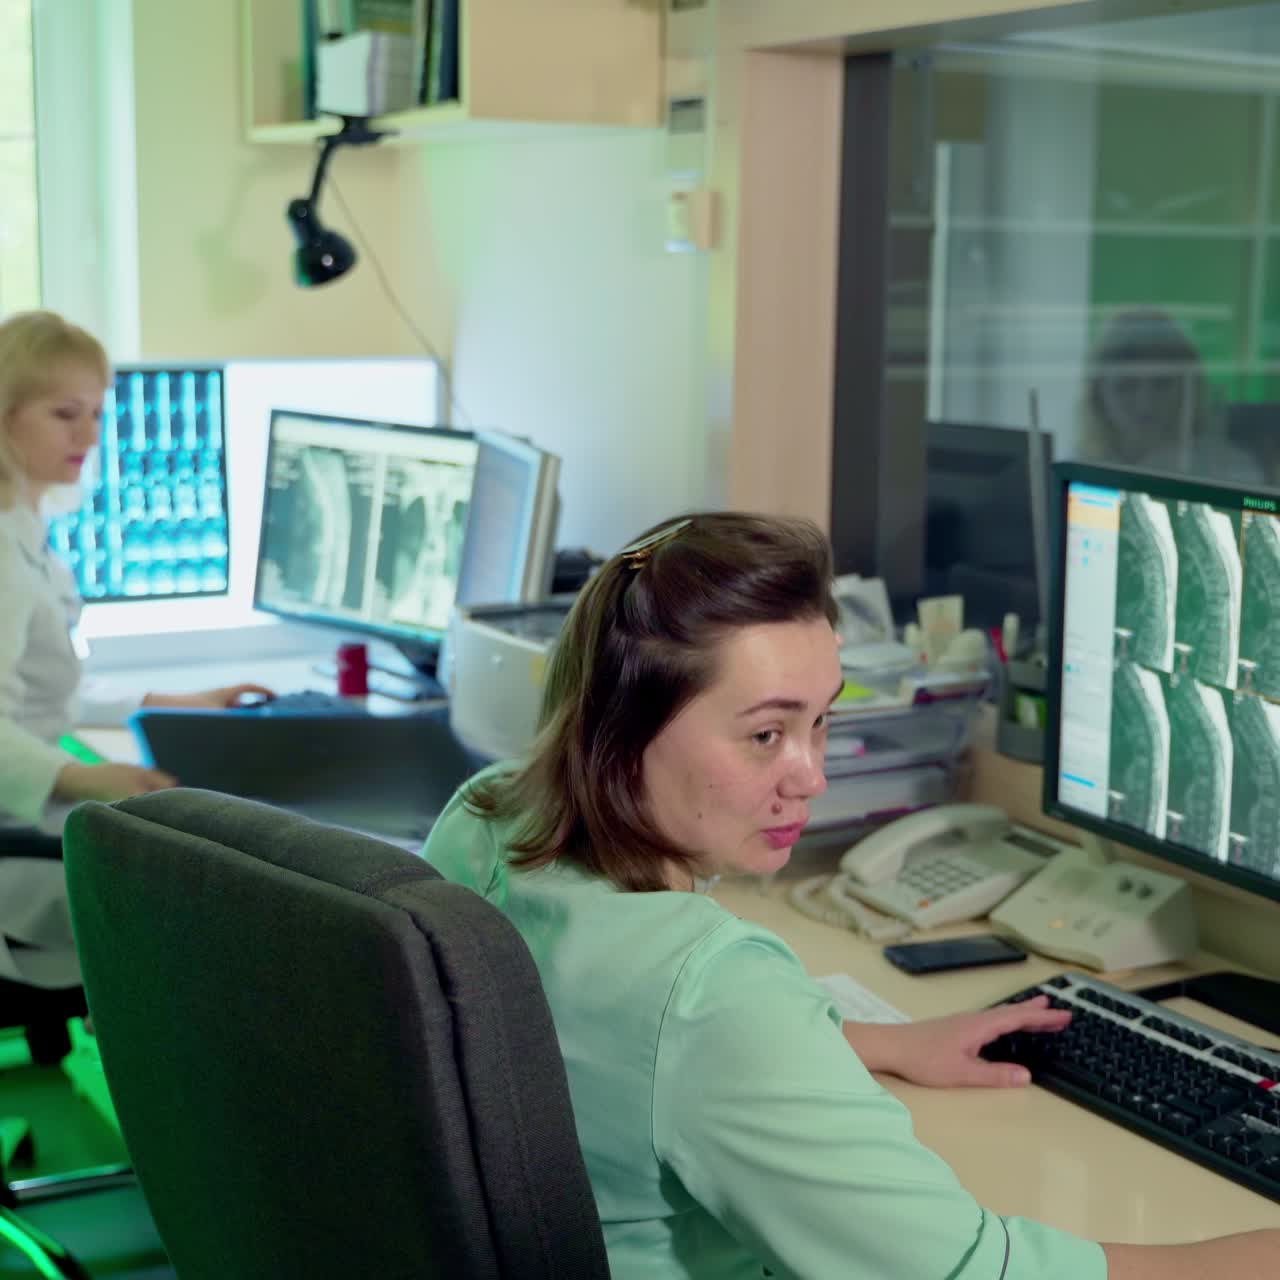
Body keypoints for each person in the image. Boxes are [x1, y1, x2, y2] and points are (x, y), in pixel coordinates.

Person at [424, 511, 1280, 1278]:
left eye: (821, 721)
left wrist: (871, 1042)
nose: (813, 776)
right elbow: (968, 1273)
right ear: (622, 728)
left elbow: (596, 1042)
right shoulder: (712, 988)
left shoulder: (490, 818)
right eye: (766, 733)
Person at [0, 310, 272, 834]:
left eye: (98, 413)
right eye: (65, 414)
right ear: (5, 415)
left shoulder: (25, 523)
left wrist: (174, 704)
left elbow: (47, 690)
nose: (89, 433)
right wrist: (82, 777)